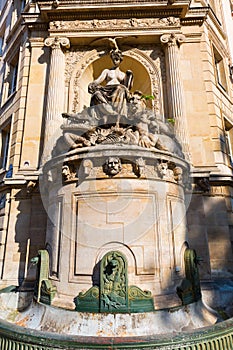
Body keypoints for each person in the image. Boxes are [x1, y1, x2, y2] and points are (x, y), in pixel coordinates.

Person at [88, 49, 133, 126]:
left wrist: (130, 76)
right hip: (107, 90)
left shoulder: (123, 74)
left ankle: (116, 113)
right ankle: (110, 110)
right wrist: (92, 84)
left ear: (120, 60)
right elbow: (98, 80)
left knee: (120, 88)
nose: (115, 61)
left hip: (118, 91)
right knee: (97, 94)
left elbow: (127, 87)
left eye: (117, 59)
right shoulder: (107, 71)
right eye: (113, 59)